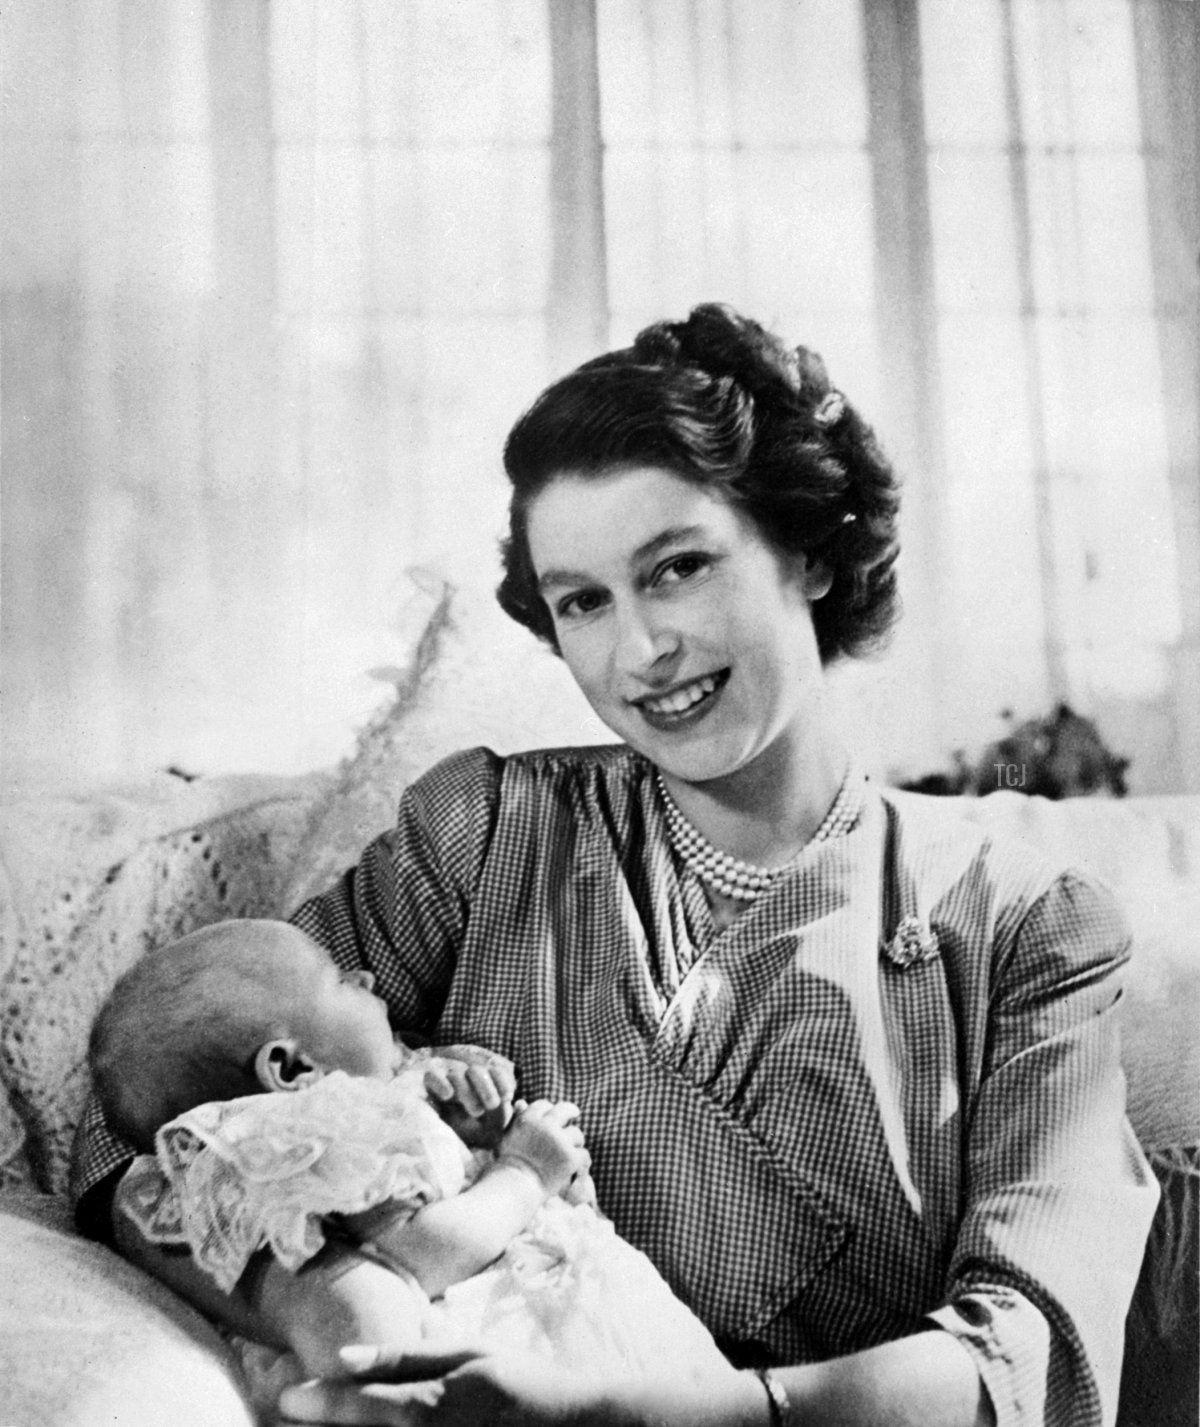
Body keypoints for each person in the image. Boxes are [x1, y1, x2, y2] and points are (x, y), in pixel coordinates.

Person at [72, 304, 1158, 1427]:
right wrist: (336, 1307)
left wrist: (636, 1420)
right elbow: (152, 1134)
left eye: (679, 566)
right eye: (582, 600)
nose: (640, 650)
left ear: (812, 552)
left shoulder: (1029, 928)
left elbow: (1033, 1350)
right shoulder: (488, 830)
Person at [87, 919, 733, 1395]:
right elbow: (418, 1252)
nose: (366, 976)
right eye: (339, 981)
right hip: (511, 1353)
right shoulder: (310, 1133)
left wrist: (477, 1140)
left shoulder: (366, 1113)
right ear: (290, 1068)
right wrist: (524, 1172)